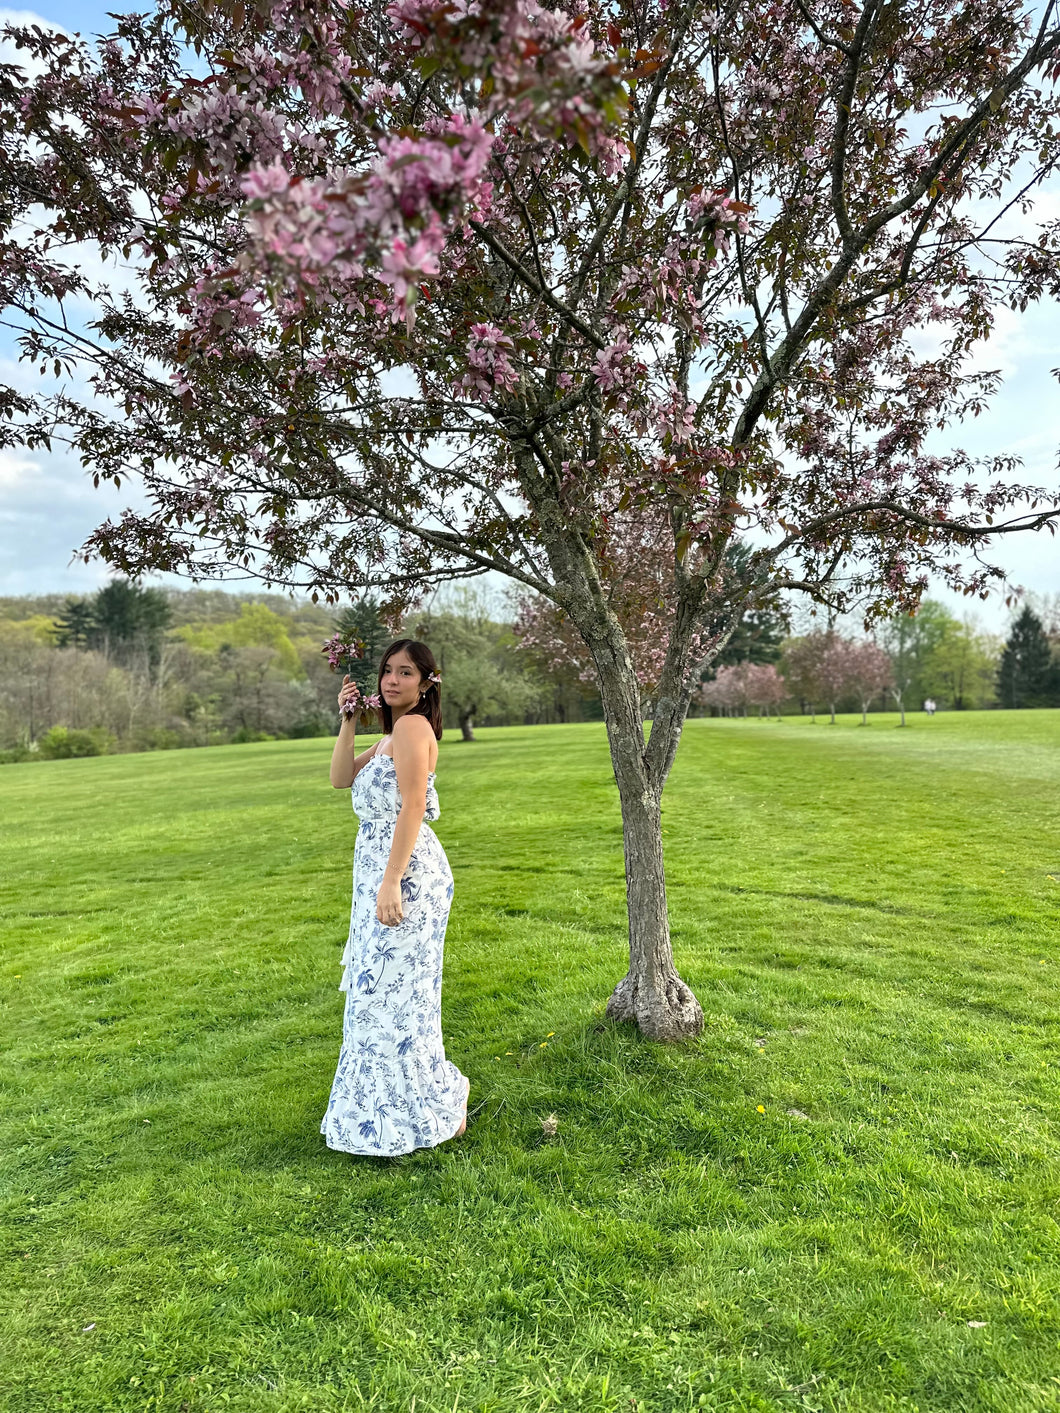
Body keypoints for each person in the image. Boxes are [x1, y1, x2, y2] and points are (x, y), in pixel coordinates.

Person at [320, 639, 469, 1156]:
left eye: (405, 673)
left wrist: (390, 882)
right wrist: (347, 720)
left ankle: (419, 1107)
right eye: (387, 671)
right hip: (378, 870)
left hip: (403, 873)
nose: (391, 681)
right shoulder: (388, 737)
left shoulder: (411, 727)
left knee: (394, 997)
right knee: (381, 995)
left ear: (426, 683)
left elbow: (411, 808)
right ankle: (390, 1106)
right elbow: (341, 779)